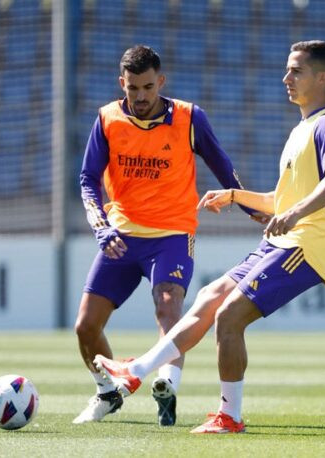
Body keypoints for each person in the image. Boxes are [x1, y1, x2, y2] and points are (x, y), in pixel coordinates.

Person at [92, 40, 325, 433]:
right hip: (283, 240)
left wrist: (294, 214)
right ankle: (136, 373)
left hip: (306, 244)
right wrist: (234, 195)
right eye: (287, 69)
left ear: (321, 77)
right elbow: (279, 200)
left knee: (229, 317)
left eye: (295, 71)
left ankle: (229, 416)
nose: (286, 77)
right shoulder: (301, 129)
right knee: (210, 298)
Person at [73, 45, 256, 426]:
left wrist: (253, 209)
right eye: (132, 88)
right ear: (121, 83)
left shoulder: (189, 118)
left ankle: (166, 384)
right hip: (121, 234)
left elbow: (223, 168)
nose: (140, 97)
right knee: (86, 326)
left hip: (172, 232)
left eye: (147, 87)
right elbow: (88, 179)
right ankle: (107, 392)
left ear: (161, 82)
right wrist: (100, 227)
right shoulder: (107, 120)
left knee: (168, 302)